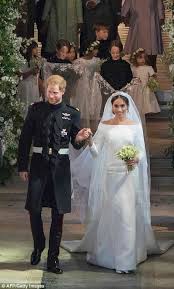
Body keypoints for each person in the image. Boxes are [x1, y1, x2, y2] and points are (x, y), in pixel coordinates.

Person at [63, 91, 164, 273]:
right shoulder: (105, 126)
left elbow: (140, 150)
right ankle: (107, 255)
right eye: (116, 106)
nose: (119, 109)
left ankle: (126, 261)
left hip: (128, 176)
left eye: (122, 106)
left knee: (126, 215)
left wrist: (136, 159)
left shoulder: (134, 126)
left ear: (127, 107)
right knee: (110, 214)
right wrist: (90, 140)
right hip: (110, 176)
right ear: (111, 107)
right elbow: (95, 153)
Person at [18, 75, 91, 274]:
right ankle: (39, 245)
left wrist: (81, 137)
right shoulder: (36, 109)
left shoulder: (72, 113)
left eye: (55, 92)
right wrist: (22, 166)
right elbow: (25, 139)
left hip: (60, 168)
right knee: (34, 208)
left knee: (58, 214)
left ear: (63, 92)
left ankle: (53, 259)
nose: (51, 95)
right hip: (39, 166)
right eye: (49, 92)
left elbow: (75, 143)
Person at [121, 0, 165, 72]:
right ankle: (149, 73)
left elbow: (126, 8)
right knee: (147, 53)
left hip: (143, 22)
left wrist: (125, 15)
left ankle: (147, 73)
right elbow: (160, 7)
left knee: (141, 52)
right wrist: (161, 18)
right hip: (145, 22)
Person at [100, 40, 132, 109]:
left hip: (123, 95)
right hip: (108, 96)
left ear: (120, 52)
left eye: (117, 53)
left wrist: (122, 90)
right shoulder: (105, 65)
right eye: (113, 53)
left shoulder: (126, 65)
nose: (115, 55)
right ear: (109, 52)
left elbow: (129, 79)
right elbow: (102, 82)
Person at [129, 48, 160, 116]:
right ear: (135, 59)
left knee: (147, 99)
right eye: (140, 58)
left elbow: (153, 76)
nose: (143, 60)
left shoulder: (148, 67)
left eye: (144, 58)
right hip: (137, 88)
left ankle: (146, 112)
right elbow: (131, 77)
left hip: (146, 87)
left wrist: (151, 80)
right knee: (138, 100)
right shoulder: (133, 68)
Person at [17, 40, 41, 117]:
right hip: (25, 86)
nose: (37, 50)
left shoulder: (37, 59)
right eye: (35, 48)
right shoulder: (22, 60)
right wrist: (31, 72)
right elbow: (20, 75)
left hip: (34, 86)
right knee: (25, 104)